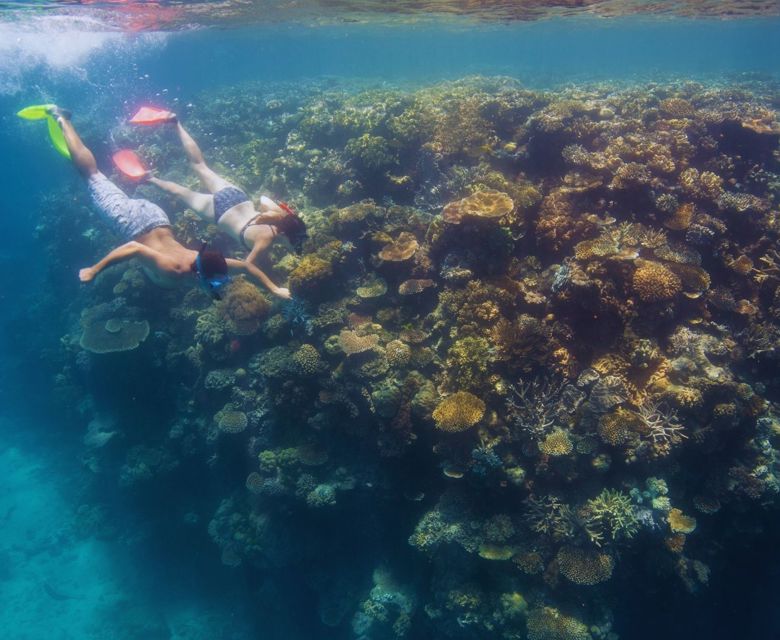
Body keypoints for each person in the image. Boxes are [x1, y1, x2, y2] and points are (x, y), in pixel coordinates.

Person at [47, 106, 280, 300]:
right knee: (91, 175)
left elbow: (247, 267)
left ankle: (144, 177)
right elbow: (134, 248)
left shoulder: (210, 261)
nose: (218, 286)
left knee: (104, 183)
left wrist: (275, 289)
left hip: (159, 217)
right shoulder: (174, 270)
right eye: (216, 283)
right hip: (132, 222)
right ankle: (62, 118)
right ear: (200, 275)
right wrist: (94, 271)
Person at [139, 110, 304, 300]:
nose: (295, 250)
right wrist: (275, 289)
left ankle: (175, 123)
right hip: (219, 211)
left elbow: (264, 200)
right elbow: (247, 266)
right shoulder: (265, 241)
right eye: (296, 245)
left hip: (237, 197)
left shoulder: (278, 219)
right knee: (180, 192)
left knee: (200, 165)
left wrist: (280, 212)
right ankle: (150, 178)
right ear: (288, 238)